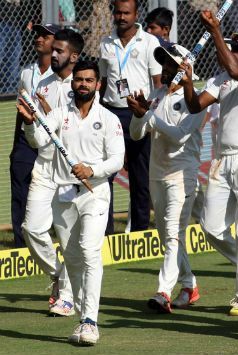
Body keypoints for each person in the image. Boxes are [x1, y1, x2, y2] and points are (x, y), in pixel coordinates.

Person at [19, 60, 125, 346]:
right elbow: (38, 140)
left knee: (90, 252)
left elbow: (117, 159)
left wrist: (93, 170)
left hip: (95, 193)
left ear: (98, 84)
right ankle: (81, 316)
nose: (83, 84)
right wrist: (30, 123)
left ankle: (90, 321)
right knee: (74, 259)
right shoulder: (59, 115)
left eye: (89, 80)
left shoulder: (109, 118)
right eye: (79, 80)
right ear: (73, 83)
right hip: (63, 194)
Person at [182, 10, 238, 316]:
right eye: (231, 46)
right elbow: (194, 105)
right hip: (221, 161)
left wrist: (216, 30)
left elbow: (233, 68)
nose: (231, 52)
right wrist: (188, 81)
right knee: (210, 227)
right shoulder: (222, 77)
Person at [128, 42, 205, 313]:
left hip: (182, 175)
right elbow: (137, 134)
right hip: (157, 175)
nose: (166, 68)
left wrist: (149, 115)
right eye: (164, 62)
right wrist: (139, 115)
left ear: (185, 68)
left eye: (171, 63)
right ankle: (189, 284)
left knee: (173, 235)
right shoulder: (157, 94)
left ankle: (163, 292)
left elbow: (180, 135)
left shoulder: (196, 99)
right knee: (169, 238)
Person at [22, 28, 85, 317]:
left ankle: (68, 298)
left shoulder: (84, 84)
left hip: (71, 173)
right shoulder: (43, 85)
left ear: (73, 55)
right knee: (31, 229)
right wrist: (29, 123)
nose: (54, 53)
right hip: (45, 168)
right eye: (53, 49)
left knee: (68, 237)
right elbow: (37, 140)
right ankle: (59, 274)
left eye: (59, 50)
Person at [99, 0, 162, 233]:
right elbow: (103, 82)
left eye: (127, 13)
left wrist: (150, 113)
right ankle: (105, 232)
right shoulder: (106, 43)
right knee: (106, 174)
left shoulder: (149, 42)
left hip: (138, 113)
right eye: (118, 12)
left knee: (139, 176)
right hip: (111, 112)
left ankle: (140, 232)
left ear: (136, 14)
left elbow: (157, 83)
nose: (121, 17)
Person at [11, 23, 58, 248]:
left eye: (45, 36)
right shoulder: (26, 71)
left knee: (55, 191)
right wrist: (15, 146)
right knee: (20, 186)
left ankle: (49, 238)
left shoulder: (61, 75)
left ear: (57, 43)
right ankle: (21, 245)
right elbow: (21, 110)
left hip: (49, 140)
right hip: (25, 139)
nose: (39, 39)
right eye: (38, 35)